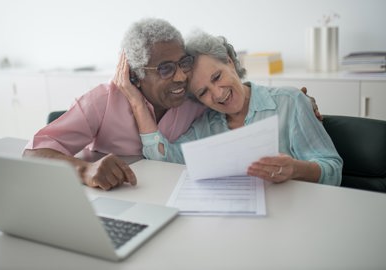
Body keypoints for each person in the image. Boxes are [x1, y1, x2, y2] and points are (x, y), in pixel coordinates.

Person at [116, 31, 343, 186]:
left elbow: (333, 170)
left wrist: (295, 169)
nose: (217, 94)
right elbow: (163, 162)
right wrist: (137, 103)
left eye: (217, 77)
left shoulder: (289, 102)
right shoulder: (205, 126)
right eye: (203, 92)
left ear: (229, 62)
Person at [23, 18, 207, 190]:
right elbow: (33, 154)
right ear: (135, 75)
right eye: (165, 69)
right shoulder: (102, 101)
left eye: (184, 63)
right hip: (115, 198)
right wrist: (85, 170)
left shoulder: (196, 100)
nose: (181, 76)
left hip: (174, 194)